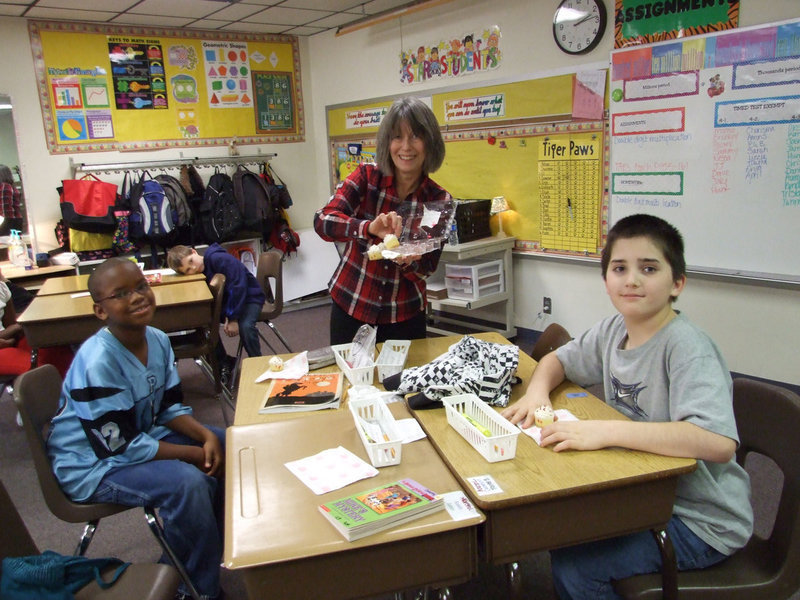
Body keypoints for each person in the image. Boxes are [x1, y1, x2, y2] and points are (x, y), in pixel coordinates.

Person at [501, 214, 753, 599]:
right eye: (620, 268)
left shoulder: (687, 348)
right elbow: (557, 360)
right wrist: (536, 394)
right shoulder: (614, 329)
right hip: (641, 494)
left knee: (577, 568)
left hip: (698, 520)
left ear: (677, 284)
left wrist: (604, 432)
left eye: (648, 268)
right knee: (555, 528)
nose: (632, 279)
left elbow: (718, 442)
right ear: (606, 282)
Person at [46, 257, 225, 600]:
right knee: (187, 483)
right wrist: (193, 452)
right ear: (101, 311)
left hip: (139, 436)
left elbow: (169, 408)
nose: (138, 297)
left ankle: (192, 563)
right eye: (122, 293)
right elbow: (118, 446)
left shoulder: (157, 339)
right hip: (92, 464)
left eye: (141, 286)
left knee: (223, 445)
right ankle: (199, 590)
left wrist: (203, 437)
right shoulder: (98, 361)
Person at [314, 96, 452, 345]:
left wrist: (409, 260)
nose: (406, 147)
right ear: (387, 142)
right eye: (397, 137)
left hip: (404, 314)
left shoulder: (437, 200)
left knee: (402, 382)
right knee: (350, 380)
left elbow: (428, 267)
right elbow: (323, 221)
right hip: (352, 303)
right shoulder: (367, 177)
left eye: (416, 137)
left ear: (430, 143)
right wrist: (367, 228)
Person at [167, 243, 266, 384]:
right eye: (188, 270)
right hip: (233, 303)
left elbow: (239, 286)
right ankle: (223, 362)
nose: (193, 268)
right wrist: (227, 313)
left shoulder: (217, 258)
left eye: (191, 261)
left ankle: (258, 365)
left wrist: (232, 318)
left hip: (251, 297)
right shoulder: (203, 269)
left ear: (194, 252)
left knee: (246, 326)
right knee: (206, 322)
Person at [0, 265, 72, 378]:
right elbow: (13, 328)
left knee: (55, 345)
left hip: (8, 339)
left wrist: (15, 331)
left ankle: (72, 390)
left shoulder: (2, 288)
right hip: (5, 343)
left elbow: (11, 324)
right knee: (39, 372)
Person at [0, 164, 22, 235]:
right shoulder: (10, 186)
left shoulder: (4, 187)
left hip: (8, 222)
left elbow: (5, 210)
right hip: (13, 220)